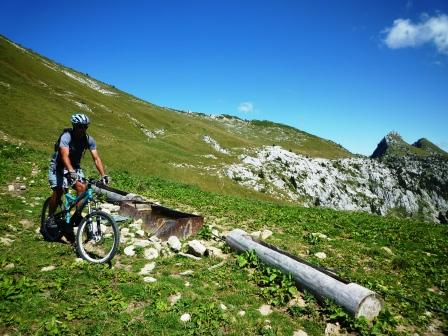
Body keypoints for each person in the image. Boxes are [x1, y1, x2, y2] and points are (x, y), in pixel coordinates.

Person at [46, 113, 109, 242]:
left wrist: (103, 175)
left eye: (85, 127)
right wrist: (70, 171)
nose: (83, 129)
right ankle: (50, 216)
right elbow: (64, 156)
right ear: (74, 126)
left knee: (82, 187)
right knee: (59, 190)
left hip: (74, 167)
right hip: (59, 166)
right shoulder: (66, 136)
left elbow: (96, 158)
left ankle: (77, 214)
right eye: (80, 126)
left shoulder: (88, 139)